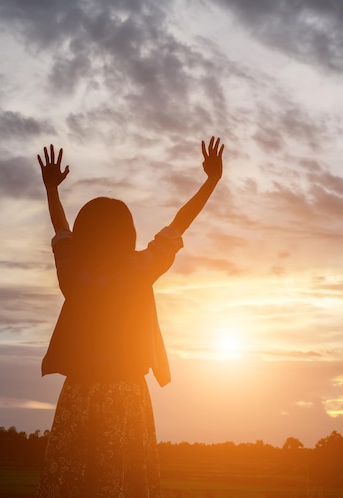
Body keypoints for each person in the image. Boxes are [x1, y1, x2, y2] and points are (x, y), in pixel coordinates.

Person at [36, 137, 224, 498]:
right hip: (126, 395)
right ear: (127, 233)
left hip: (79, 394)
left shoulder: (74, 273)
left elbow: (61, 233)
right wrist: (210, 182)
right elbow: (178, 225)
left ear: (84, 233)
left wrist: (51, 190)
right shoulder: (138, 269)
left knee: (73, 480)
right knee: (121, 480)